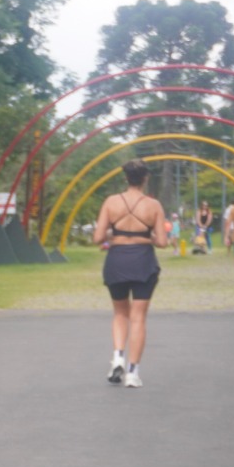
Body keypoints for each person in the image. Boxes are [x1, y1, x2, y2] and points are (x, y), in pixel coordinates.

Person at [93, 160, 169, 390]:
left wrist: (115, 234)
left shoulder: (111, 202)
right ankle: (133, 373)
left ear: (126, 178)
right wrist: (145, 237)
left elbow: (97, 238)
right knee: (138, 317)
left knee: (119, 313)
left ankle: (118, 357)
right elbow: (162, 242)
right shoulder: (153, 205)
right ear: (145, 178)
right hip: (143, 261)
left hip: (117, 260)